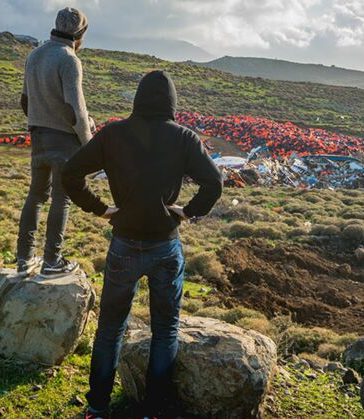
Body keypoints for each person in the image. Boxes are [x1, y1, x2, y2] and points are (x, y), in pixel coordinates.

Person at [62, 70, 223, 419]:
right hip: (165, 246)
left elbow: (69, 175)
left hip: (123, 243)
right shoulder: (184, 138)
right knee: (166, 330)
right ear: (171, 103)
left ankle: (97, 408)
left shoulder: (113, 134)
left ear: (138, 99)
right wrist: (187, 212)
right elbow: (214, 183)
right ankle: (153, 411)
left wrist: (102, 209)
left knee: (109, 329)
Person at [16, 7, 94, 277]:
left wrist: (42, 119)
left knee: (36, 196)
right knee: (63, 199)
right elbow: (76, 111)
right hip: (64, 142)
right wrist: (90, 143)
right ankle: (52, 262)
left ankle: (25, 259)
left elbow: (25, 101)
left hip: (38, 136)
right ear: (81, 33)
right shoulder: (69, 59)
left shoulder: (35, 54)